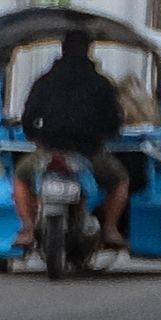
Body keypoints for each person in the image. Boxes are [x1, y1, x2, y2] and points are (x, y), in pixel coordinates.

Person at [18, 37, 132, 240]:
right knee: (120, 180)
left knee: (21, 177)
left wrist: (35, 136)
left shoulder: (45, 81)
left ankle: (27, 229)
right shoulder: (101, 83)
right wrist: (105, 134)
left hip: (49, 148)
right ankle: (110, 228)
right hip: (88, 150)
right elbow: (114, 122)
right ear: (88, 51)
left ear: (62, 51)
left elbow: (28, 118)